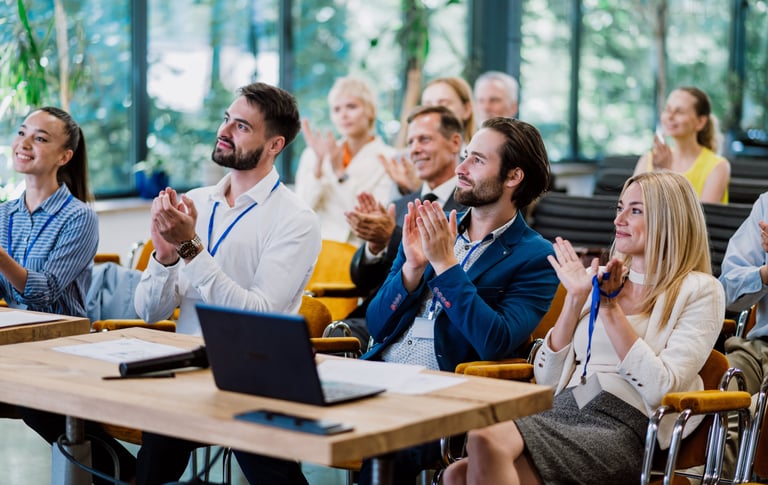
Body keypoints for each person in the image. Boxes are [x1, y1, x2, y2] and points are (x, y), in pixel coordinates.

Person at [442, 170, 725, 485]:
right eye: (619, 208)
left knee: (482, 439)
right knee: (457, 474)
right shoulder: (597, 278)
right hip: (569, 403)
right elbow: (548, 382)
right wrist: (575, 299)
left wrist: (609, 307)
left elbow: (662, 388)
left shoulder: (700, 289)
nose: (619, 219)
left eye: (635, 211)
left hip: (623, 423)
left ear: (668, 220)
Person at [132, 82, 321, 484]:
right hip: (185, 373)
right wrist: (165, 257)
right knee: (151, 458)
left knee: (269, 468)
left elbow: (258, 315)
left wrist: (189, 247)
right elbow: (149, 311)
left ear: (274, 145)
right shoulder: (195, 201)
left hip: (256, 376)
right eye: (226, 120)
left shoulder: (295, 220)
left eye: (241, 126)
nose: (224, 131)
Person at [358, 117, 560, 484]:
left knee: (381, 446)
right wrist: (412, 270)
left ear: (513, 177)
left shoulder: (535, 256)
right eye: (464, 156)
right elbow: (376, 325)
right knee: (270, 420)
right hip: (382, 379)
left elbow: (495, 341)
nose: (460, 168)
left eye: (477, 160)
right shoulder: (431, 226)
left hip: (446, 396)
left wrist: (446, 266)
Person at [7, 107, 136, 484]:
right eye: (21, 132)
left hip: (64, 347)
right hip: (17, 346)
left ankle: (128, 475)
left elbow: (44, 291)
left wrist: (1, 260)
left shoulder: (79, 217)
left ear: (65, 157)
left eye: (40, 138)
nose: (24, 143)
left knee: (37, 407)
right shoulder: (5, 215)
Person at [342, 105, 468, 346]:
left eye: (424, 139)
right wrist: (375, 246)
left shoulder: (470, 207)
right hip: (380, 319)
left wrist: (392, 236)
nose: (415, 150)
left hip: (435, 327)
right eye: (411, 142)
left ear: (454, 142)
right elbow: (362, 281)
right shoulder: (399, 206)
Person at [294, 76, 397, 244]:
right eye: (336, 109)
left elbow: (373, 217)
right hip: (316, 250)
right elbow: (300, 211)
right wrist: (319, 166)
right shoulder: (315, 154)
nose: (343, 115)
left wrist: (340, 174)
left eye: (351, 106)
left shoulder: (389, 158)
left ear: (370, 110)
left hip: (359, 253)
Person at [719, 191, 768, 473]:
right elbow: (726, 289)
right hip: (757, 346)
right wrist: (763, 274)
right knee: (722, 386)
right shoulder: (766, 204)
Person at [633, 86, 731, 204]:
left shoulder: (718, 167)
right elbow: (632, 209)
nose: (670, 116)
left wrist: (664, 174)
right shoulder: (648, 159)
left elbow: (700, 220)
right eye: (667, 109)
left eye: (679, 112)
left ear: (700, 122)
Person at [386, 76, 478, 196]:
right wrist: (408, 190)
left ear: (466, 109)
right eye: (427, 105)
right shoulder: (405, 161)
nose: (434, 112)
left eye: (443, 104)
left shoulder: (480, 161)